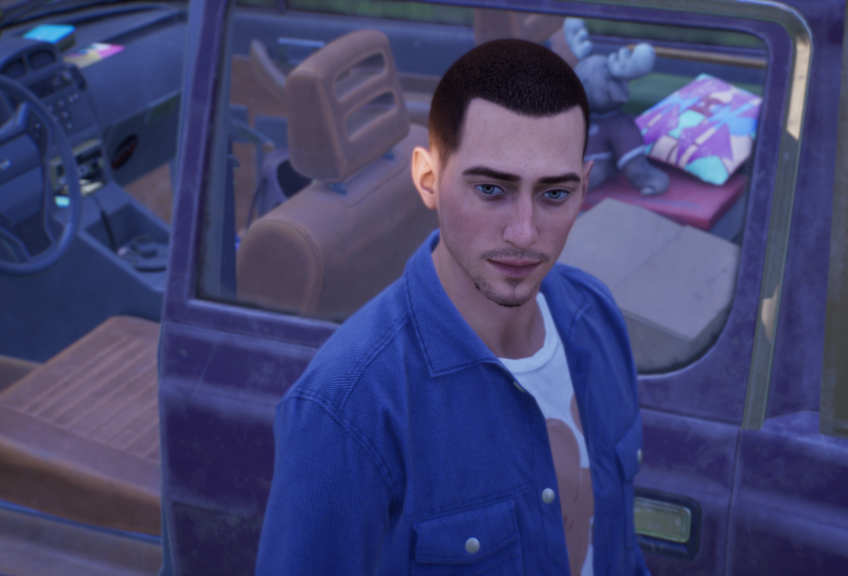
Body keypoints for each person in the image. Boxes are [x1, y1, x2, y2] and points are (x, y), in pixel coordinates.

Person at [256, 39, 648, 576]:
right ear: (428, 179)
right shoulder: (349, 410)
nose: (524, 233)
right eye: (491, 189)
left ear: (583, 187)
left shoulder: (595, 316)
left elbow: (617, 548)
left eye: (554, 194)